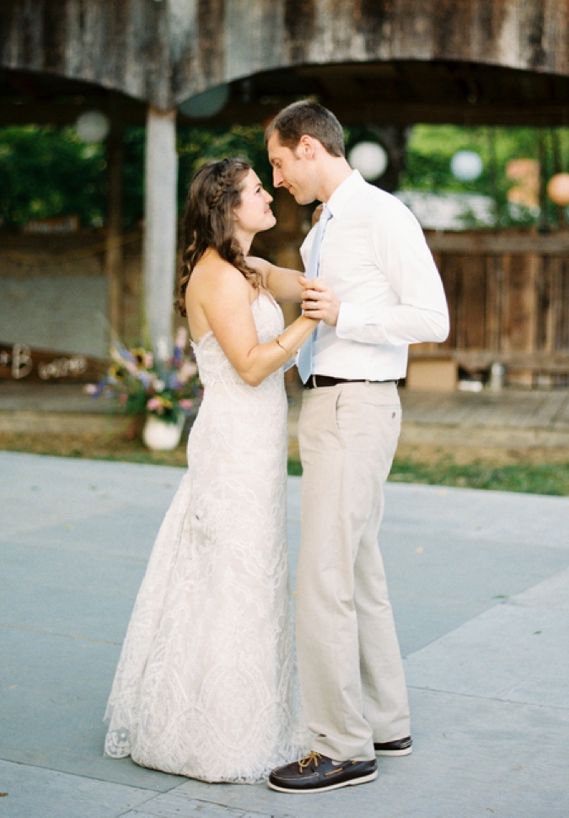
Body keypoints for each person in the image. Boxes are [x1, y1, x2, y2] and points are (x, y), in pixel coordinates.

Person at [103, 156, 318, 783]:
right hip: (233, 443)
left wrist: (326, 283)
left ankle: (251, 710)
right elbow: (251, 367)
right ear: (228, 207)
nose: (269, 196)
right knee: (233, 572)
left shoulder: (244, 267)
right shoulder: (218, 278)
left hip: (257, 440)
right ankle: (217, 731)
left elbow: (283, 277)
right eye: (257, 191)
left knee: (252, 568)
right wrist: (314, 319)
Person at [265, 100, 450, 794]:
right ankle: (385, 720)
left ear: (309, 147)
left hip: (356, 402)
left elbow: (432, 317)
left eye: (280, 163)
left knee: (324, 580)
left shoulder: (380, 215)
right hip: (338, 402)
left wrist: (348, 314)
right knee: (360, 570)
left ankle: (341, 745)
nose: (277, 178)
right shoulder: (327, 223)